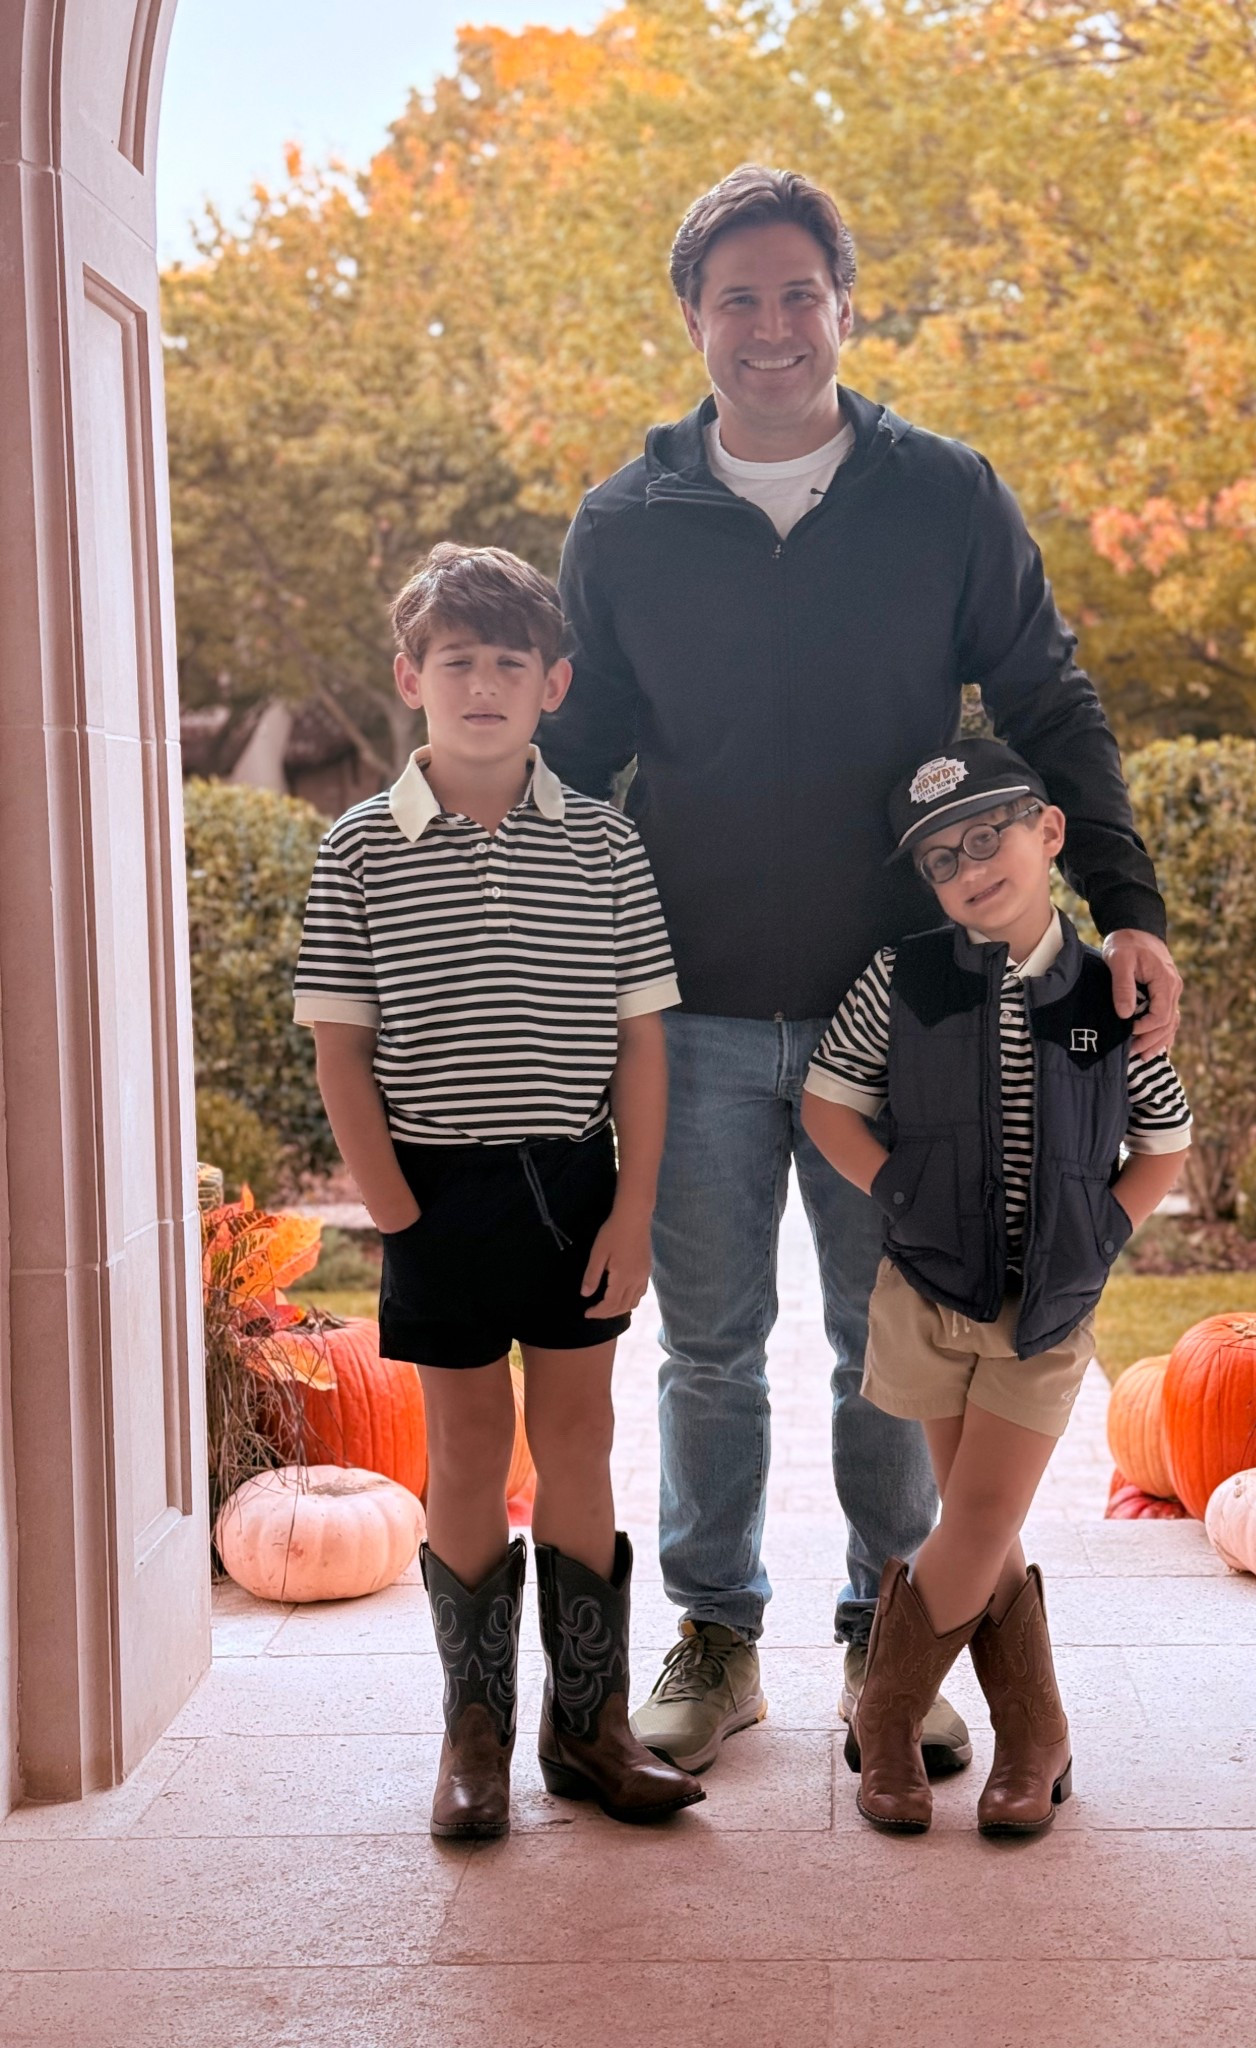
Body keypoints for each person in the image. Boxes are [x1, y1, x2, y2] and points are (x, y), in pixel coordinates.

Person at [541, 163, 1184, 1776]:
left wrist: (1126, 894)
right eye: (736, 298)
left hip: (902, 1012)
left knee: (891, 1332)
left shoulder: (942, 492)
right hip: (687, 1002)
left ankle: (894, 1629)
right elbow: (583, 746)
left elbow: (1046, 693)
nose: (770, 326)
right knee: (702, 1345)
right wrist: (482, 886)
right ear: (693, 319)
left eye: (797, 292)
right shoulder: (623, 522)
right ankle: (716, 1630)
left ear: (844, 303)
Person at [292, 543, 704, 1836]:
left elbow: (643, 1040)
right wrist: (395, 1214)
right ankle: (473, 1739)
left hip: (573, 1188)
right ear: (412, 678)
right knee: (469, 1450)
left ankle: (589, 1728)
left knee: (579, 1437)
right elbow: (340, 1048)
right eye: (457, 662)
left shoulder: (605, 846)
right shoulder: (359, 850)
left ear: (555, 685)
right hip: (433, 1193)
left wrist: (632, 1208)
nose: (483, 685)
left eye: (509, 665)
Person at [801, 738, 1192, 1833]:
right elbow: (829, 1108)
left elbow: (1162, 1141)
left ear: (1049, 829)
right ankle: (1035, 1738)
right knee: (986, 1532)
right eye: (940, 858)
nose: (971, 866)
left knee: (973, 1516)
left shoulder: (1109, 994)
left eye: (989, 834)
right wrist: (906, 1191)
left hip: (1043, 1314)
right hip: (928, 1289)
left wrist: (1100, 1229)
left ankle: (884, 1721)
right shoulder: (906, 978)